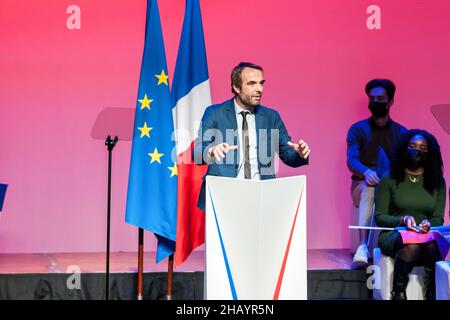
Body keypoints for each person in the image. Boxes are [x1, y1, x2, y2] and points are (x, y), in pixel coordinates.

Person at [193, 62, 310, 210]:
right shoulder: (215, 113)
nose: (259, 89)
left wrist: (300, 154)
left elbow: (287, 154)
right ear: (236, 87)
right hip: (223, 197)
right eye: (252, 84)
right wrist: (210, 151)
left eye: (261, 83)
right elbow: (197, 153)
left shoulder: (271, 117)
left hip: (261, 196)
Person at [375, 129, 446, 300]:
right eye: (413, 146)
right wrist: (402, 219)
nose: (417, 150)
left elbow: (438, 217)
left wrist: (428, 224)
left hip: (425, 235)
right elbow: (380, 217)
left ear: (430, 153)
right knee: (411, 245)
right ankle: (398, 292)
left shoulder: (437, 181)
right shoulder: (389, 178)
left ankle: (432, 291)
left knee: (430, 245)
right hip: (395, 234)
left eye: (423, 147)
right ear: (404, 148)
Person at [347, 79, 407, 267]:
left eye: (380, 98)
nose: (375, 102)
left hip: (389, 187)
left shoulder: (401, 133)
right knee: (370, 188)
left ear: (391, 101)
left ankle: (403, 245)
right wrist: (366, 172)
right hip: (361, 185)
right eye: (371, 98)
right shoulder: (357, 129)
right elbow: (351, 159)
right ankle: (363, 246)